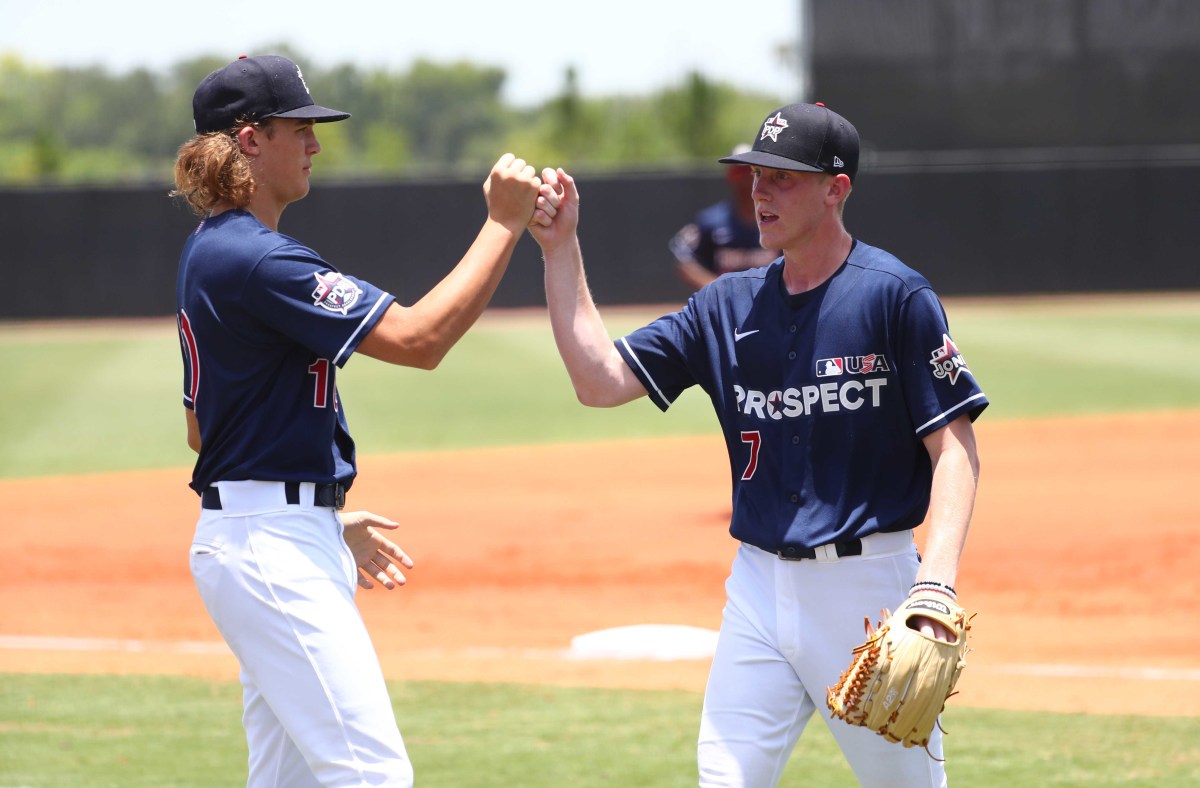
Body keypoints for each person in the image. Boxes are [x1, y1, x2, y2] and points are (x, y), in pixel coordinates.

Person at [531, 102, 986, 786]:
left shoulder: (894, 296)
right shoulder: (725, 305)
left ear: (837, 189)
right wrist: (560, 247)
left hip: (869, 591)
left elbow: (954, 447)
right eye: (755, 176)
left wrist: (935, 586)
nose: (760, 192)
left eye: (783, 178)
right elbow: (600, 380)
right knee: (724, 777)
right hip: (756, 586)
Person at [171, 54, 542, 787]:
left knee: (291, 780)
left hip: (268, 536)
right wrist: (504, 223)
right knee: (372, 775)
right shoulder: (256, 259)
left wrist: (314, 513)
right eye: (299, 128)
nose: (314, 143)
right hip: (269, 549)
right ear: (249, 141)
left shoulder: (211, 250)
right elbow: (418, 339)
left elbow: (202, 432)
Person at [668, 144, 779, 291]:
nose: (747, 177)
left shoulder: (779, 219)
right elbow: (681, 254)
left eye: (752, 171)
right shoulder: (711, 221)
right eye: (739, 171)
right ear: (731, 175)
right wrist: (718, 291)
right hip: (727, 308)